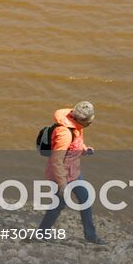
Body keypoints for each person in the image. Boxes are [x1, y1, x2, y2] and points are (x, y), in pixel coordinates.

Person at [38, 100, 103, 244]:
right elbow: (56, 161)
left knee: (85, 199)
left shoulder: (76, 126)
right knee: (59, 205)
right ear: (81, 120)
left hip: (73, 172)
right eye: (89, 121)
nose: (91, 124)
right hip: (60, 176)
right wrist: (62, 184)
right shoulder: (64, 134)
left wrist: (85, 150)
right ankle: (41, 234)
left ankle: (90, 236)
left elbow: (75, 144)